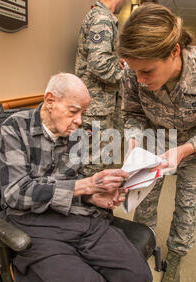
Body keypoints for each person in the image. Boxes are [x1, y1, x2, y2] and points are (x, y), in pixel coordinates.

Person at [0, 73, 154, 282]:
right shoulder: (15, 129)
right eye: (74, 111)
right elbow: (16, 192)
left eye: (82, 113)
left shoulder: (76, 133)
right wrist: (86, 185)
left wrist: (93, 196)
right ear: (50, 101)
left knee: (138, 277)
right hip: (35, 225)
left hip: (79, 218)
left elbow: (74, 180)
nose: (80, 120)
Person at [117, 3, 196, 282]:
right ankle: (143, 248)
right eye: (136, 72)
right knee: (142, 200)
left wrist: (184, 150)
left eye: (147, 71)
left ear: (173, 51)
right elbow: (133, 113)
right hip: (154, 141)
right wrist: (133, 141)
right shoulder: (134, 73)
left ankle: (175, 258)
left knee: (187, 206)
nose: (141, 80)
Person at [75, 0, 128, 176]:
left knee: (101, 164)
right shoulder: (102, 19)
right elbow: (99, 64)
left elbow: (102, 59)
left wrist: (115, 60)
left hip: (101, 107)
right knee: (93, 167)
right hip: (96, 109)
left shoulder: (103, 17)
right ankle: (87, 204)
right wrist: (129, 76)